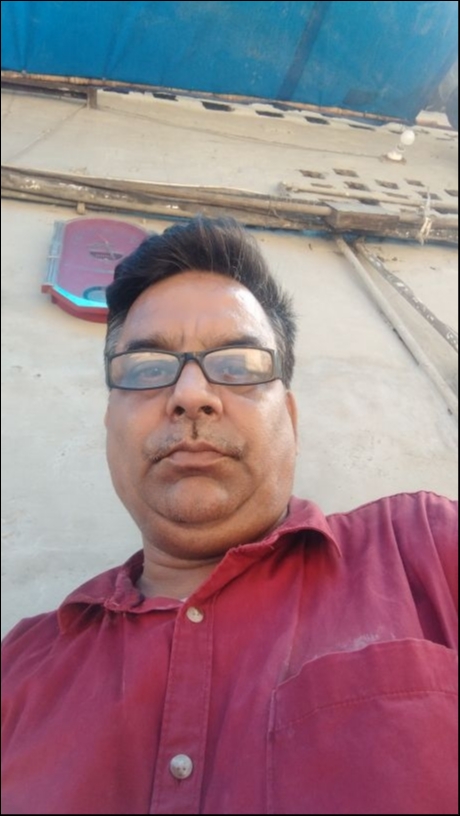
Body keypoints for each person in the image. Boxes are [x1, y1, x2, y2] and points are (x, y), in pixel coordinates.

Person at [1, 216, 457, 816]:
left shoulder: (428, 552)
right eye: (147, 369)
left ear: (290, 419)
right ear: (110, 424)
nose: (191, 395)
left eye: (238, 365)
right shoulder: (20, 668)